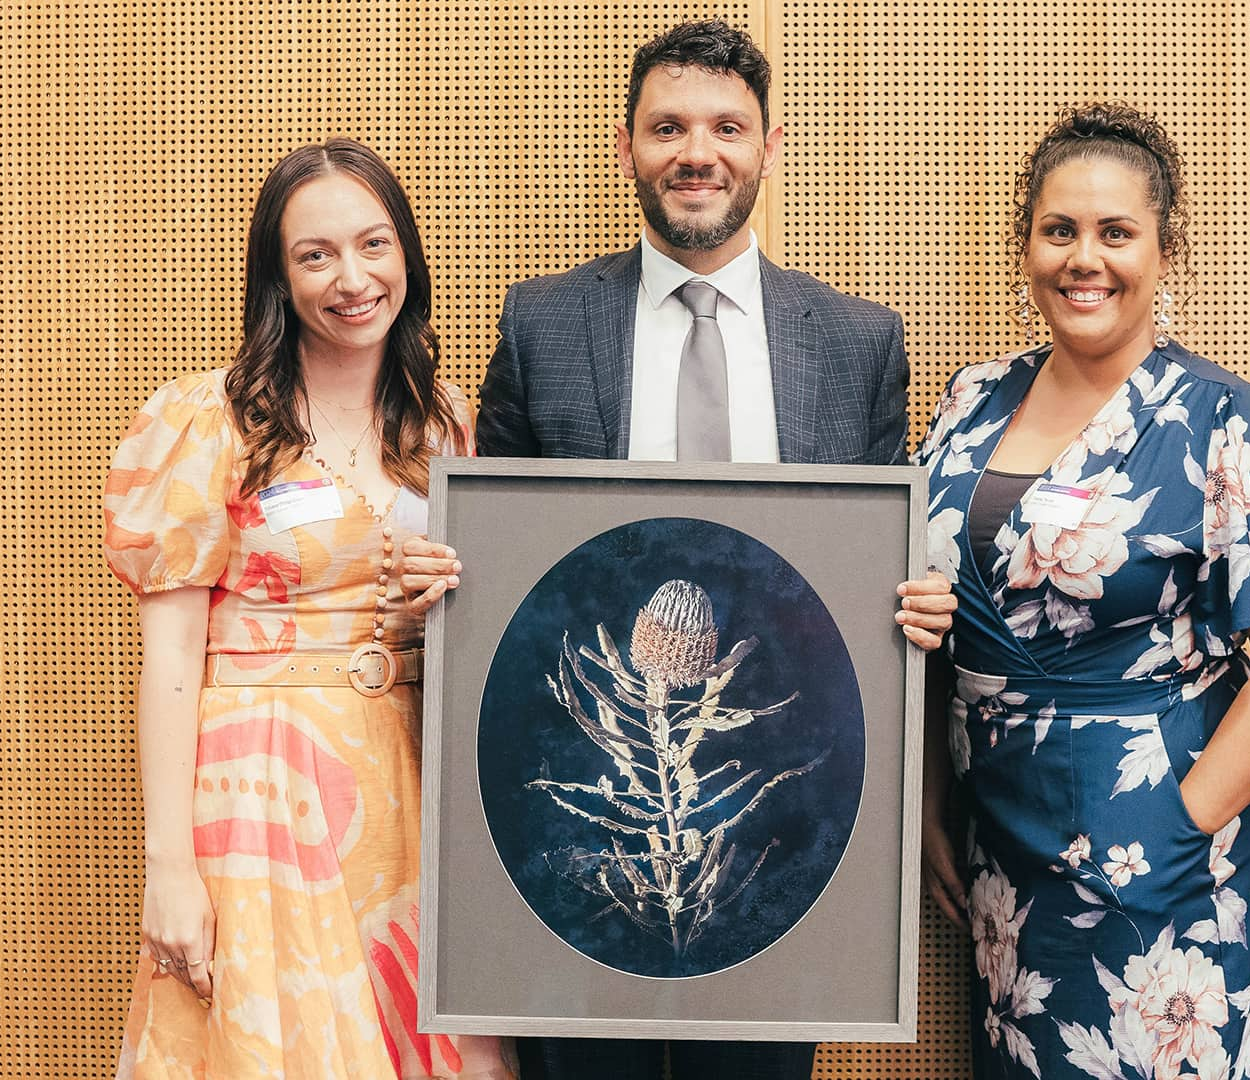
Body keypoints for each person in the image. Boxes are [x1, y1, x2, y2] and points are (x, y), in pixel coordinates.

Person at [398, 19, 954, 1080]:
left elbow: (879, 567)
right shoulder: (544, 324)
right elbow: (501, 557)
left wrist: (916, 605)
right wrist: (447, 571)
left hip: (780, 823)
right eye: (668, 127)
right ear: (627, 147)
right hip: (583, 821)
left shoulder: (855, 342)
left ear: (768, 147)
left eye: (725, 127)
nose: (697, 150)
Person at [916, 104, 1250, 1080]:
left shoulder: (1230, 424)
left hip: (1162, 858)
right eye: (1060, 230)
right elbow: (936, 617)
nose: (1085, 258)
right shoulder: (969, 403)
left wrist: (1175, 828)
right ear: (1026, 243)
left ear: (1165, 250)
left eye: (1116, 233)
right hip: (1005, 860)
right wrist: (931, 806)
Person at [103, 138, 512, 1079]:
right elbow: (168, 660)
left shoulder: (445, 421)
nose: (351, 278)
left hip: (412, 778)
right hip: (262, 790)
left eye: (374, 245)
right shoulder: (213, 421)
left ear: (406, 253)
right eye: (315, 255)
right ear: (278, 279)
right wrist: (170, 869)